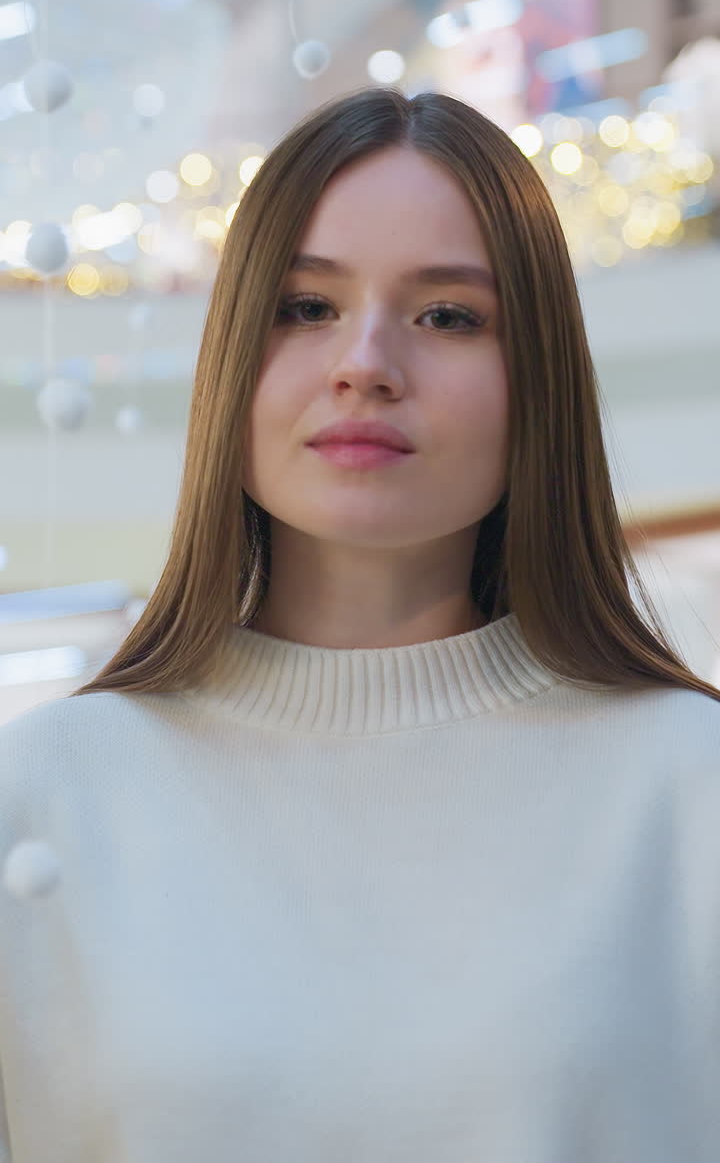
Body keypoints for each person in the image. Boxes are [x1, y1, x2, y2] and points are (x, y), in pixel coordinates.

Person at [0, 86, 718, 1162]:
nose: (366, 363)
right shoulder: (44, 797)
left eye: (448, 316)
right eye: (305, 306)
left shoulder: (687, 785)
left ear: (541, 388)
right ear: (233, 354)